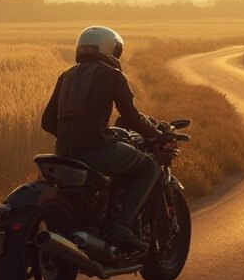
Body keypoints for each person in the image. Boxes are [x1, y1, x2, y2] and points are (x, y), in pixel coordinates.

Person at [41, 26, 163, 251]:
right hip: (96, 149)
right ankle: (120, 225)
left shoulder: (66, 76)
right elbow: (132, 118)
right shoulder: (112, 75)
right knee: (148, 166)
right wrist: (155, 134)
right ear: (108, 49)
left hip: (64, 153)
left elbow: (47, 121)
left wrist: (73, 134)